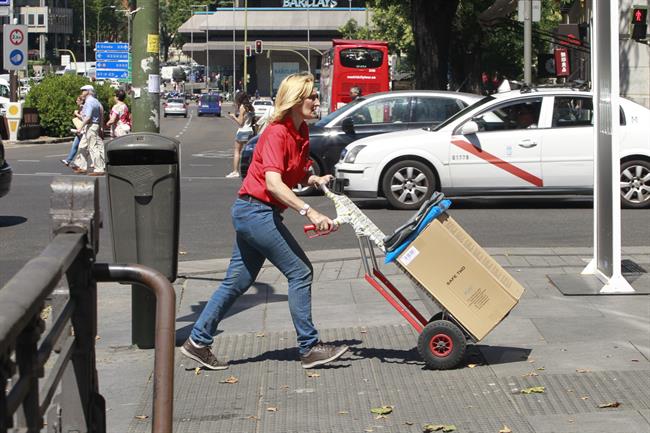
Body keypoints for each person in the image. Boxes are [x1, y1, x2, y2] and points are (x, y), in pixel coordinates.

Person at [180, 72, 349, 370]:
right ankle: (309, 348)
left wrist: (314, 177)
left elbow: (292, 176)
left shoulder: (300, 133)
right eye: (311, 97)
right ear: (296, 101)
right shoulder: (276, 133)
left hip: (259, 213)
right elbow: (273, 183)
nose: (316, 101)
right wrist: (309, 211)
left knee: (238, 281)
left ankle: (197, 341)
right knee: (300, 272)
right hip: (254, 211)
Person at [74, 85, 105, 176]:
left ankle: (99, 169)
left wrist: (80, 127)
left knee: (93, 147)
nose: (81, 93)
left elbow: (88, 117)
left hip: (91, 126)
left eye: (83, 90)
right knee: (82, 146)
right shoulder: (96, 101)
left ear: (88, 91)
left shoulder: (89, 102)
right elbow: (101, 113)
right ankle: (81, 166)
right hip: (93, 125)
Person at [226, 92, 255, 178]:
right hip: (250, 131)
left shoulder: (242, 107)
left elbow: (240, 123)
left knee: (237, 151)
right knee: (250, 152)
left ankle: (235, 171)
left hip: (242, 131)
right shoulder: (251, 107)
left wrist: (233, 116)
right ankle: (251, 170)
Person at [61, 94, 85, 167]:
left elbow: (85, 118)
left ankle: (93, 162)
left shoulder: (84, 108)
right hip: (79, 130)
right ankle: (68, 160)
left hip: (82, 130)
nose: (76, 101)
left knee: (85, 148)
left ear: (81, 101)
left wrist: (76, 114)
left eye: (78, 100)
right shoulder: (80, 108)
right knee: (75, 145)